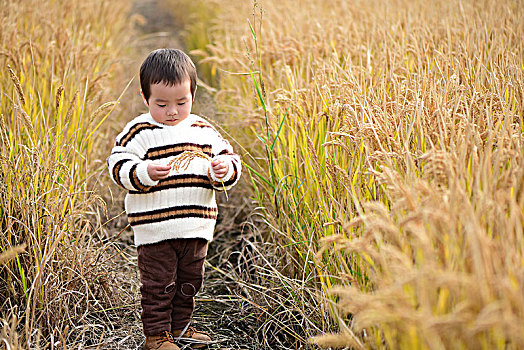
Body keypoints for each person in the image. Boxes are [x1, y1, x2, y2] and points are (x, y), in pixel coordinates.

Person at [107, 48, 241, 350]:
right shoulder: (138, 132)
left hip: (196, 226)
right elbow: (117, 165)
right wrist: (144, 171)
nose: (172, 111)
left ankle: (181, 328)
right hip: (155, 229)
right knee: (159, 285)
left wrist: (223, 168)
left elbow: (230, 160)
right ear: (145, 98)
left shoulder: (204, 131)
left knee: (189, 282)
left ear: (192, 95)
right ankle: (156, 336)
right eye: (161, 103)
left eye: (182, 102)